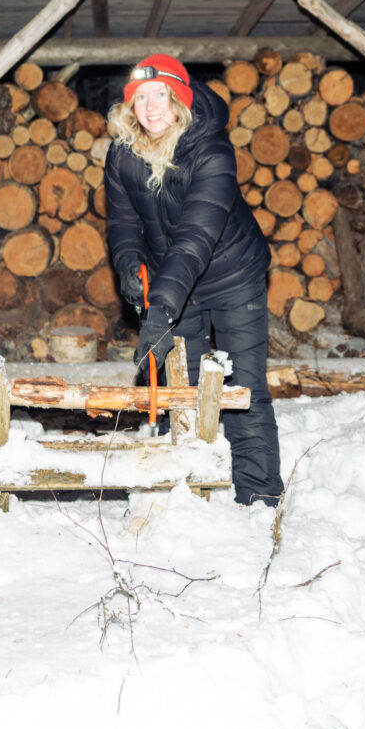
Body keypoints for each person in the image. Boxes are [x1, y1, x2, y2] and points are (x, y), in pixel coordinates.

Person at [104, 53, 284, 507]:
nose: (150, 107)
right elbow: (123, 223)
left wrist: (161, 309)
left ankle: (260, 495)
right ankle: (181, 490)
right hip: (174, 281)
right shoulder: (123, 153)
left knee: (242, 386)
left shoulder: (211, 150)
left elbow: (194, 240)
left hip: (231, 275)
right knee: (178, 390)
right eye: (140, 97)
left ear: (180, 98)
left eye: (160, 95)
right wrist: (130, 268)